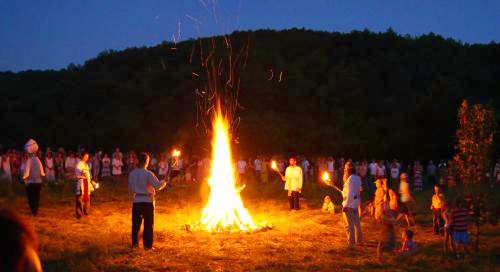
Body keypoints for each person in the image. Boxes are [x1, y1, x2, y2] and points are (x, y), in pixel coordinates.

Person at [128, 153, 166, 250]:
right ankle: (147, 246)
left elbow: (131, 188)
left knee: (135, 224)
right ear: (146, 162)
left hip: (137, 201)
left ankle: (135, 245)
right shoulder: (148, 174)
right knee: (148, 225)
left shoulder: (132, 174)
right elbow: (157, 186)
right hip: (147, 201)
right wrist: (164, 182)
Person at [22, 140, 45, 216]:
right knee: (37, 197)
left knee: (31, 197)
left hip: (31, 183)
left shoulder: (29, 160)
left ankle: (33, 211)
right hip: (38, 182)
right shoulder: (38, 160)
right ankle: (35, 211)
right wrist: (42, 177)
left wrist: (24, 179)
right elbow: (42, 172)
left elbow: (27, 172)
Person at [341, 162, 362, 246]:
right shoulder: (357, 178)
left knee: (349, 224)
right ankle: (359, 240)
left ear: (348, 169)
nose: (344, 169)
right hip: (355, 203)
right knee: (357, 223)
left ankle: (351, 242)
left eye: (345, 168)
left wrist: (346, 205)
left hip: (349, 204)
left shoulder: (350, 179)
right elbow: (359, 190)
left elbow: (350, 193)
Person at [75, 152, 97, 219]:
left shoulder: (86, 165)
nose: (86, 158)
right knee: (80, 199)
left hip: (87, 184)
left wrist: (92, 181)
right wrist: (82, 175)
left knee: (87, 198)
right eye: (85, 156)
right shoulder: (79, 164)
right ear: (82, 156)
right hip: (81, 183)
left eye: (87, 157)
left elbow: (88, 175)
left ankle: (86, 211)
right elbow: (77, 174)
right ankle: (79, 214)